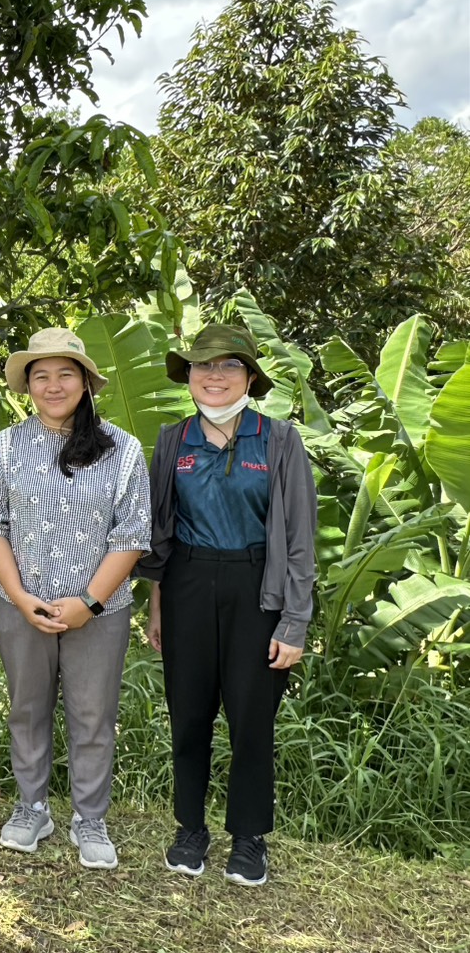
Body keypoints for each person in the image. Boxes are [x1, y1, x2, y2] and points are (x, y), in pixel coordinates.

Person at [138, 323, 316, 887]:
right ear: (188, 376)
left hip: (256, 587)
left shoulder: (279, 439)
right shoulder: (173, 439)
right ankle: (190, 828)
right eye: (202, 366)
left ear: (250, 377)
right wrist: (157, 607)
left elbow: (300, 541)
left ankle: (249, 837)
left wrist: (294, 621)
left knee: (250, 716)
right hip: (187, 583)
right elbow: (159, 534)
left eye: (229, 366)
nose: (214, 376)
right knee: (188, 714)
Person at [0, 328, 151, 869]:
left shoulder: (123, 449)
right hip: (21, 605)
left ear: (86, 382)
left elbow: (132, 534)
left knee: (93, 714)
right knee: (27, 709)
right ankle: (32, 808)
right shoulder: (6, 446)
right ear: (28, 385)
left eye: (65, 373)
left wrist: (88, 604)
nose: (53, 385)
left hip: (100, 610)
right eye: (41, 375)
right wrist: (21, 596)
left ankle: (89, 817)